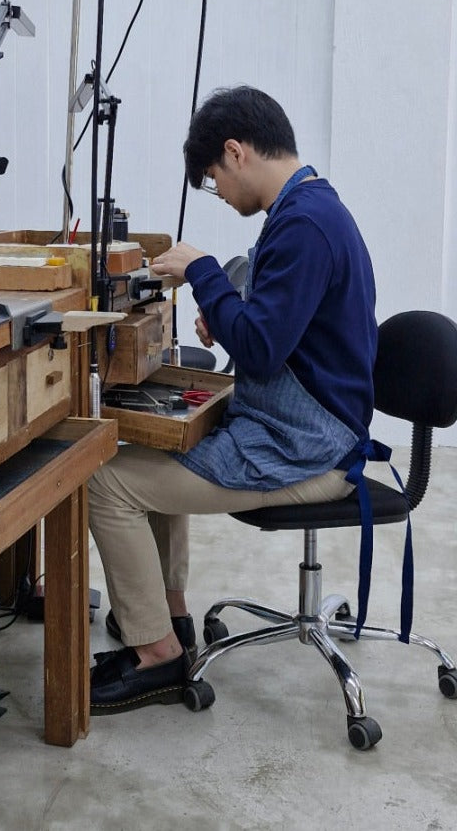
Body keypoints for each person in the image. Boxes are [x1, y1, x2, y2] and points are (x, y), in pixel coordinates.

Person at [87, 85, 378, 714]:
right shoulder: (311, 208)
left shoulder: (302, 226)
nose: (218, 192)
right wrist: (230, 312)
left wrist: (204, 273)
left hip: (304, 451)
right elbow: (280, 333)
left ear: (235, 152)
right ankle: (169, 619)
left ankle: (159, 658)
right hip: (307, 430)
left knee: (107, 482)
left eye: (214, 179)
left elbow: (262, 353)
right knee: (154, 451)